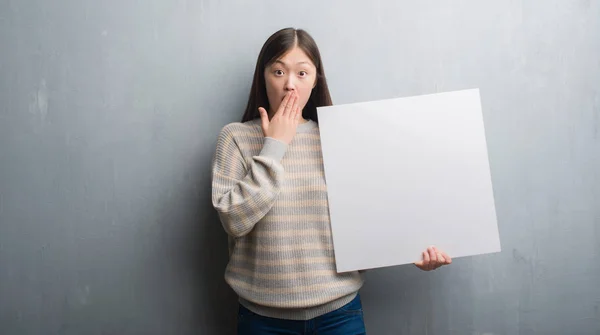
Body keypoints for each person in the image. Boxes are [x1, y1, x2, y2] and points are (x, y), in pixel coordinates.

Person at [211, 27, 452, 335]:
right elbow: (234, 219)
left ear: (315, 80)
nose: (289, 84)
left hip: (339, 314)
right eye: (278, 71)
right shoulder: (235, 137)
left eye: (301, 73)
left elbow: (365, 217)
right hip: (262, 319)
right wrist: (275, 147)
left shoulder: (338, 136)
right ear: (263, 77)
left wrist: (411, 249)